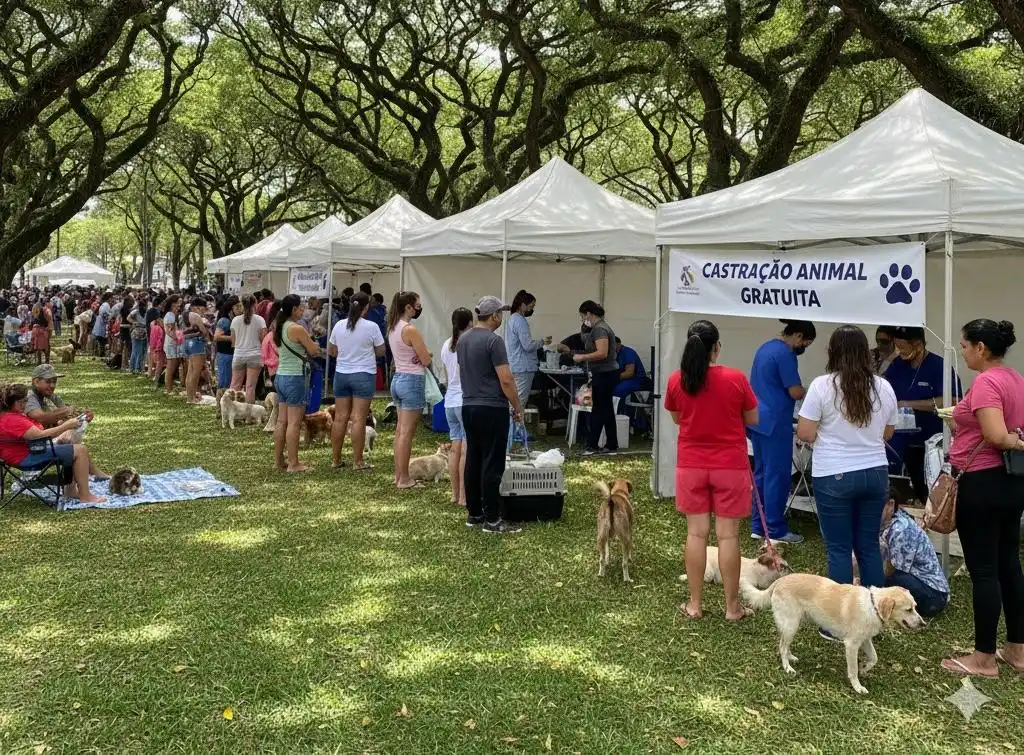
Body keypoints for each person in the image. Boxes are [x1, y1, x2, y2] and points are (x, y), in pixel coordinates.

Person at [941, 319, 1024, 678]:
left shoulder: (988, 381)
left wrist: (1015, 441)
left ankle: (984, 658)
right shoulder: (1015, 378)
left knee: (985, 572)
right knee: (1009, 565)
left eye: (964, 346)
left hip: (984, 483)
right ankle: (1017, 649)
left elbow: (996, 434)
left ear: (980, 348)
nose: (961, 352)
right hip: (1010, 483)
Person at [665, 319, 759, 621]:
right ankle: (732, 607)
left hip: (691, 465)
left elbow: (677, 418)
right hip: (730, 465)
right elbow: (753, 417)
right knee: (728, 537)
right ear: (716, 348)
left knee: (696, 534)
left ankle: (695, 604)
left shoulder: (676, 380)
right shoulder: (736, 378)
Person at [796, 325, 897, 602]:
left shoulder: (822, 385)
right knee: (868, 546)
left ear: (833, 352)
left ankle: (839, 619)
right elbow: (888, 433)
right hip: (876, 472)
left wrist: (829, 436)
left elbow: (804, 432)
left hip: (834, 473)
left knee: (839, 548)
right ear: (866, 353)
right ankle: (875, 612)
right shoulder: (884, 387)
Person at [458, 296, 523, 534]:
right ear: (494, 315)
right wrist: (517, 405)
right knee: (492, 462)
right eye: (501, 313)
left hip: (469, 405)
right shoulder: (494, 342)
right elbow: (506, 379)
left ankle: (474, 513)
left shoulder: (463, 339)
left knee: (474, 458)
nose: (502, 317)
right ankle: (493, 519)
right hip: (491, 406)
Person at [748, 320, 816, 544]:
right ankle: (775, 529)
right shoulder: (786, 354)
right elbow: (795, 391)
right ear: (798, 335)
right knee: (777, 477)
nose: (805, 345)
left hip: (757, 419)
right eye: (806, 341)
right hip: (776, 422)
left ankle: (759, 525)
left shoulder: (765, 347)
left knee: (761, 474)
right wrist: (810, 391)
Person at [883, 326, 961, 504]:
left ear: (918, 345)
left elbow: (954, 399)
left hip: (931, 439)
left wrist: (909, 404)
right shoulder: (896, 365)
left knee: (929, 487)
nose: (899, 351)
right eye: (897, 346)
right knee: (897, 483)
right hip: (900, 437)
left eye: (903, 347)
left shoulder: (939, 366)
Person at [0, 384, 105, 504]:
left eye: (26, 401)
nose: (25, 405)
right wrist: (66, 426)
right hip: (26, 457)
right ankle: (86, 496)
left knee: (70, 445)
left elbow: (37, 433)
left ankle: (70, 491)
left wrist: (62, 426)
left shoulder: (8, 416)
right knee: (80, 450)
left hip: (24, 453)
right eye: (22, 402)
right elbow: (40, 436)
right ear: (12, 402)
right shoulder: (13, 420)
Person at [327, 291, 384, 471]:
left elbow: (331, 350)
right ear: (366, 307)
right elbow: (381, 350)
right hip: (363, 374)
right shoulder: (371, 326)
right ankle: (357, 461)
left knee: (340, 418)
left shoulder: (339, 325)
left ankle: (336, 460)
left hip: (341, 374)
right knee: (358, 418)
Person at [387, 291, 432, 489]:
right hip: (412, 380)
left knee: (400, 432)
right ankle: (404, 478)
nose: (419, 308)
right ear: (408, 307)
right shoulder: (410, 330)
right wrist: (426, 353)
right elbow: (426, 359)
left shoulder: (392, 327)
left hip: (398, 379)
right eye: (417, 305)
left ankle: (400, 474)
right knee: (406, 433)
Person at [273, 294, 322, 473]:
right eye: (300, 308)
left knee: (281, 421)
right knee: (294, 423)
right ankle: (293, 463)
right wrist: (314, 343)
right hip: (296, 377)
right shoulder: (297, 328)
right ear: (293, 309)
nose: (303, 311)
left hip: (281, 376)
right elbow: (313, 350)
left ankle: (278, 461)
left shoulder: (278, 326)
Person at [879, 497, 949, 618]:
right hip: (919, 584)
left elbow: (892, 570)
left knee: (884, 578)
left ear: (890, 505)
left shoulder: (900, 528)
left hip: (933, 594)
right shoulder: (885, 523)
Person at [571, 300, 619, 455]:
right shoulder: (597, 328)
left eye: (582, 316)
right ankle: (611, 445)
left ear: (588, 314)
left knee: (599, 409)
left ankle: (592, 445)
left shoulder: (600, 329)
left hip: (605, 373)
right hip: (604, 372)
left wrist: (582, 358)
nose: (582, 319)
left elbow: (602, 352)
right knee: (606, 409)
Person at [441, 308, 473, 507]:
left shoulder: (446, 344)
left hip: (450, 401)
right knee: (465, 452)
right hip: (465, 400)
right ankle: (464, 495)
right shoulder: (468, 343)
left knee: (454, 450)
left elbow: (446, 373)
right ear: (469, 322)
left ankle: (454, 494)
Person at [506, 290, 548, 411]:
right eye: (531, 306)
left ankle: (515, 428)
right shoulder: (520, 321)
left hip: (516, 365)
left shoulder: (512, 319)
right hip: (524, 367)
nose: (532, 309)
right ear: (523, 305)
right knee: (519, 403)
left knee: (515, 401)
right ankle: (514, 429)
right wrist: (542, 342)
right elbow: (528, 346)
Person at [230, 295, 267, 404]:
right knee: (250, 387)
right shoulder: (260, 320)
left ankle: (231, 410)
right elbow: (263, 339)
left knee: (234, 385)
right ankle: (248, 415)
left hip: (239, 355)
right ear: (255, 304)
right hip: (255, 355)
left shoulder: (235, 320)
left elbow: (233, 342)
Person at [183, 297, 210, 404]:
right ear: (197, 307)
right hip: (197, 344)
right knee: (196, 373)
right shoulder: (196, 316)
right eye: (203, 308)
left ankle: (190, 397)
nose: (203, 310)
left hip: (187, 343)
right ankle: (192, 398)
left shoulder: (184, 315)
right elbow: (204, 331)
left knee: (190, 371)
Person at [214, 297, 239, 404]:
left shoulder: (234, 320)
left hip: (230, 354)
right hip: (224, 355)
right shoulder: (224, 320)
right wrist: (234, 338)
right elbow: (217, 337)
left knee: (229, 382)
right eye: (237, 307)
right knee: (224, 382)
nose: (240, 309)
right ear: (231, 309)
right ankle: (220, 406)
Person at [162, 295, 185, 394]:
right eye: (178, 302)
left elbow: (175, 330)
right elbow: (169, 331)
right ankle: (168, 389)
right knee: (170, 367)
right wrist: (179, 340)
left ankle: (170, 388)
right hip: (171, 344)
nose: (179, 305)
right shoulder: (170, 315)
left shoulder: (173, 315)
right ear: (173, 304)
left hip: (174, 344)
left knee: (173, 366)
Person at [128, 296, 149, 375]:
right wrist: (134, 322)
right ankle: (133, 367)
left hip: (144, 332)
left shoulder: (147, 312)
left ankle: (140, 367)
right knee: (136, 350)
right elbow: (128, 318)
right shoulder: (135, 312)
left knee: (142, 351)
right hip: (137, 331)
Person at [92, 292, 111, 357]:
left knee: (100, 340)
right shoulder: (106, 305)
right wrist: (108, 319)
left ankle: (99, 353)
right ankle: (101, 353)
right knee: (102, 340)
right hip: (102, 324)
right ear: (109, 298)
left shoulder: (103, 304)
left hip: (99, 323)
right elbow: (105, 314)